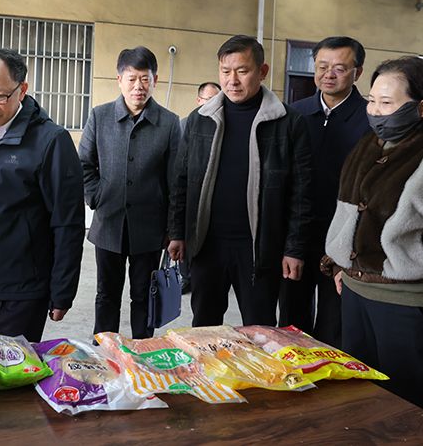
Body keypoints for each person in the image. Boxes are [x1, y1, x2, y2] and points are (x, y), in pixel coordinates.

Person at [168, 35, 312, 326]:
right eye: (225, 71)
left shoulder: (288, 122)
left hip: (260, 249)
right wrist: (176, 232)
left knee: (259, 328)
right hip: (207, 245)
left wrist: (294, 249)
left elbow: (301, 194)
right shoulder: (200, 119)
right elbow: (181, 180)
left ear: (262, 71)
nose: (232, 80)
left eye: (242, 71)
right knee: (204, 326)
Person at [0, 48, 85, 342]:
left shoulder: (51, 141)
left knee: (12, 366)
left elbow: (67, 223)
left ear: (22, 89)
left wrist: (62, 290)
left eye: (0, 96)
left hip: (23, 289)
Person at [321, 56, 423, 407]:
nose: (376, 112)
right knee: (360, 393)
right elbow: (347, 211)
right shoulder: (368, 145)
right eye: (372, 101)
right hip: (355, 290)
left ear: (420, 107)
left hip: (403, 300)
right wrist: (341, 261)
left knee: (404, 401)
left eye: (388, 103)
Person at [79, 46, 180, 339]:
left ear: (155, 80)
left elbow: (176, 181)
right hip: (108, 224)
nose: (138, 86)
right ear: (119, 80)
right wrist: (97, 196)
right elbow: (83, 164)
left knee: (144, 295)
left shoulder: (169, 123)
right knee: (106, 295)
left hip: (150, 229)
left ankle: (141, 352)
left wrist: (173, 230)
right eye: (132, 78)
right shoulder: (100, 116)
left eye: (145, 79)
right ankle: (105, 350)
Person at [279, 36, 370, 347]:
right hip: (298, 233)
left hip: (345, 238)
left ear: (357, 72)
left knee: (336, 322)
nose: (329, 74)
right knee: (292, 320)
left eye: (340, 68)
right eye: (322, 66)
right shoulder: (294, 113)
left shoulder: (370, 118)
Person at [179, 81, 221, 294]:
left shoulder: (223, 124)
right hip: (190, 194)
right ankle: (185, 277)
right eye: (209, 99)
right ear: (198, 100)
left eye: (218, 99)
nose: (214, 104)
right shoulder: (186, 124)